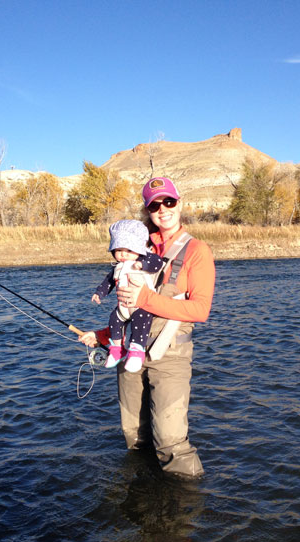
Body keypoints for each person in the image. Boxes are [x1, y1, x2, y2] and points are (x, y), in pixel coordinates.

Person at [79, 177, 216, 479]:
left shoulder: (197, 251)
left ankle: (187, 508)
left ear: (179, 203)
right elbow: (128, 309)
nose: (163, 209)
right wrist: (101, 335)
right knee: (134, 436)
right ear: (147, 210)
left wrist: (147, 297)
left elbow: (200, 310)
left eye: (169, 201)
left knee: (170, 442)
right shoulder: (133, 245)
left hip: (170, 355)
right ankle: (145, 502)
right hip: (129, 352)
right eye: (155, 205)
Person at [92, 219, 165, 373]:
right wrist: (99, 293)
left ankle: (137, 352)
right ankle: (117, 348)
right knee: (114, 319)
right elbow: (108, 282)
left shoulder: (144, 259)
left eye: (129, 250)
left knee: (140, 322)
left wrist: (143, 265)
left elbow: (158, 262)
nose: (123, 254)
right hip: (122, 307)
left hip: (141, 306)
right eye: (119, 250)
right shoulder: (117, 268)